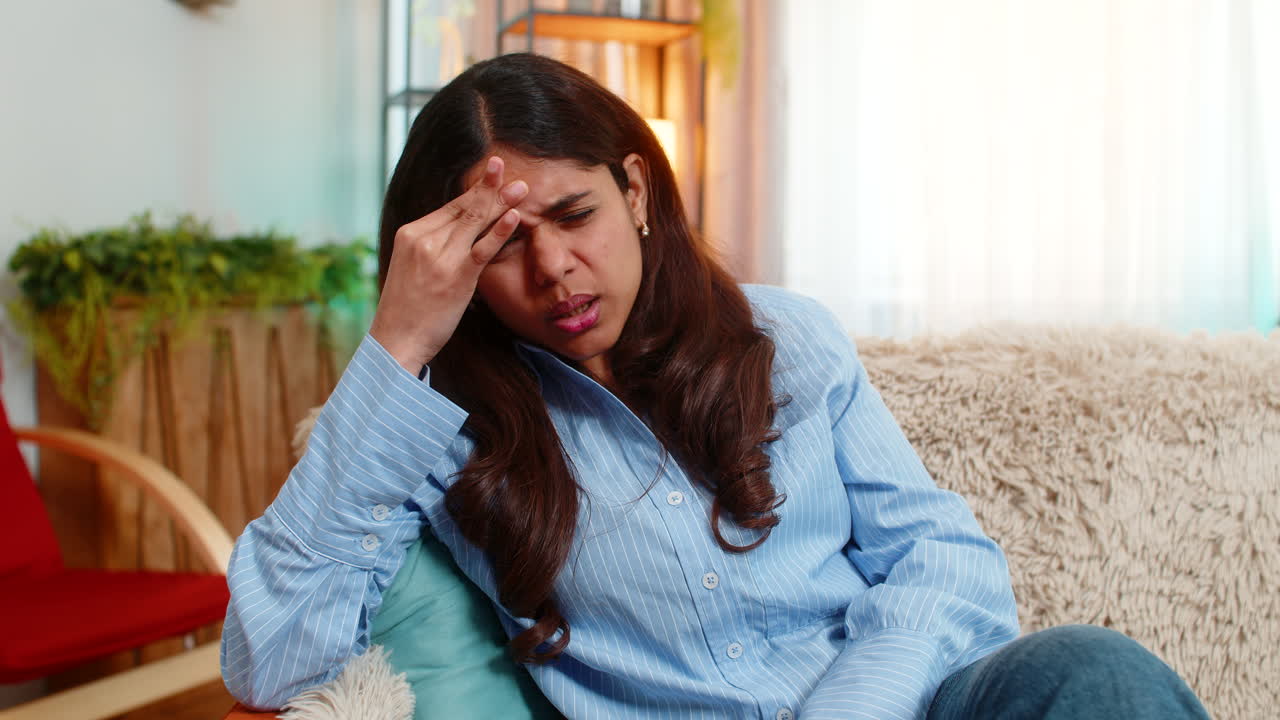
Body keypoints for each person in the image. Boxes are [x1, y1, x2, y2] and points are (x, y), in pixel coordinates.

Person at [221, 53, 1210, 719]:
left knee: (1092, 673)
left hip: (890, 706)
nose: (556, 268)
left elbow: (942, 560)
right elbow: (268, 656)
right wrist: (396, 343)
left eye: (575, 214)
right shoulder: (440, 431)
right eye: (503, 245)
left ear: (636, 192)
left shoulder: (784, 339)